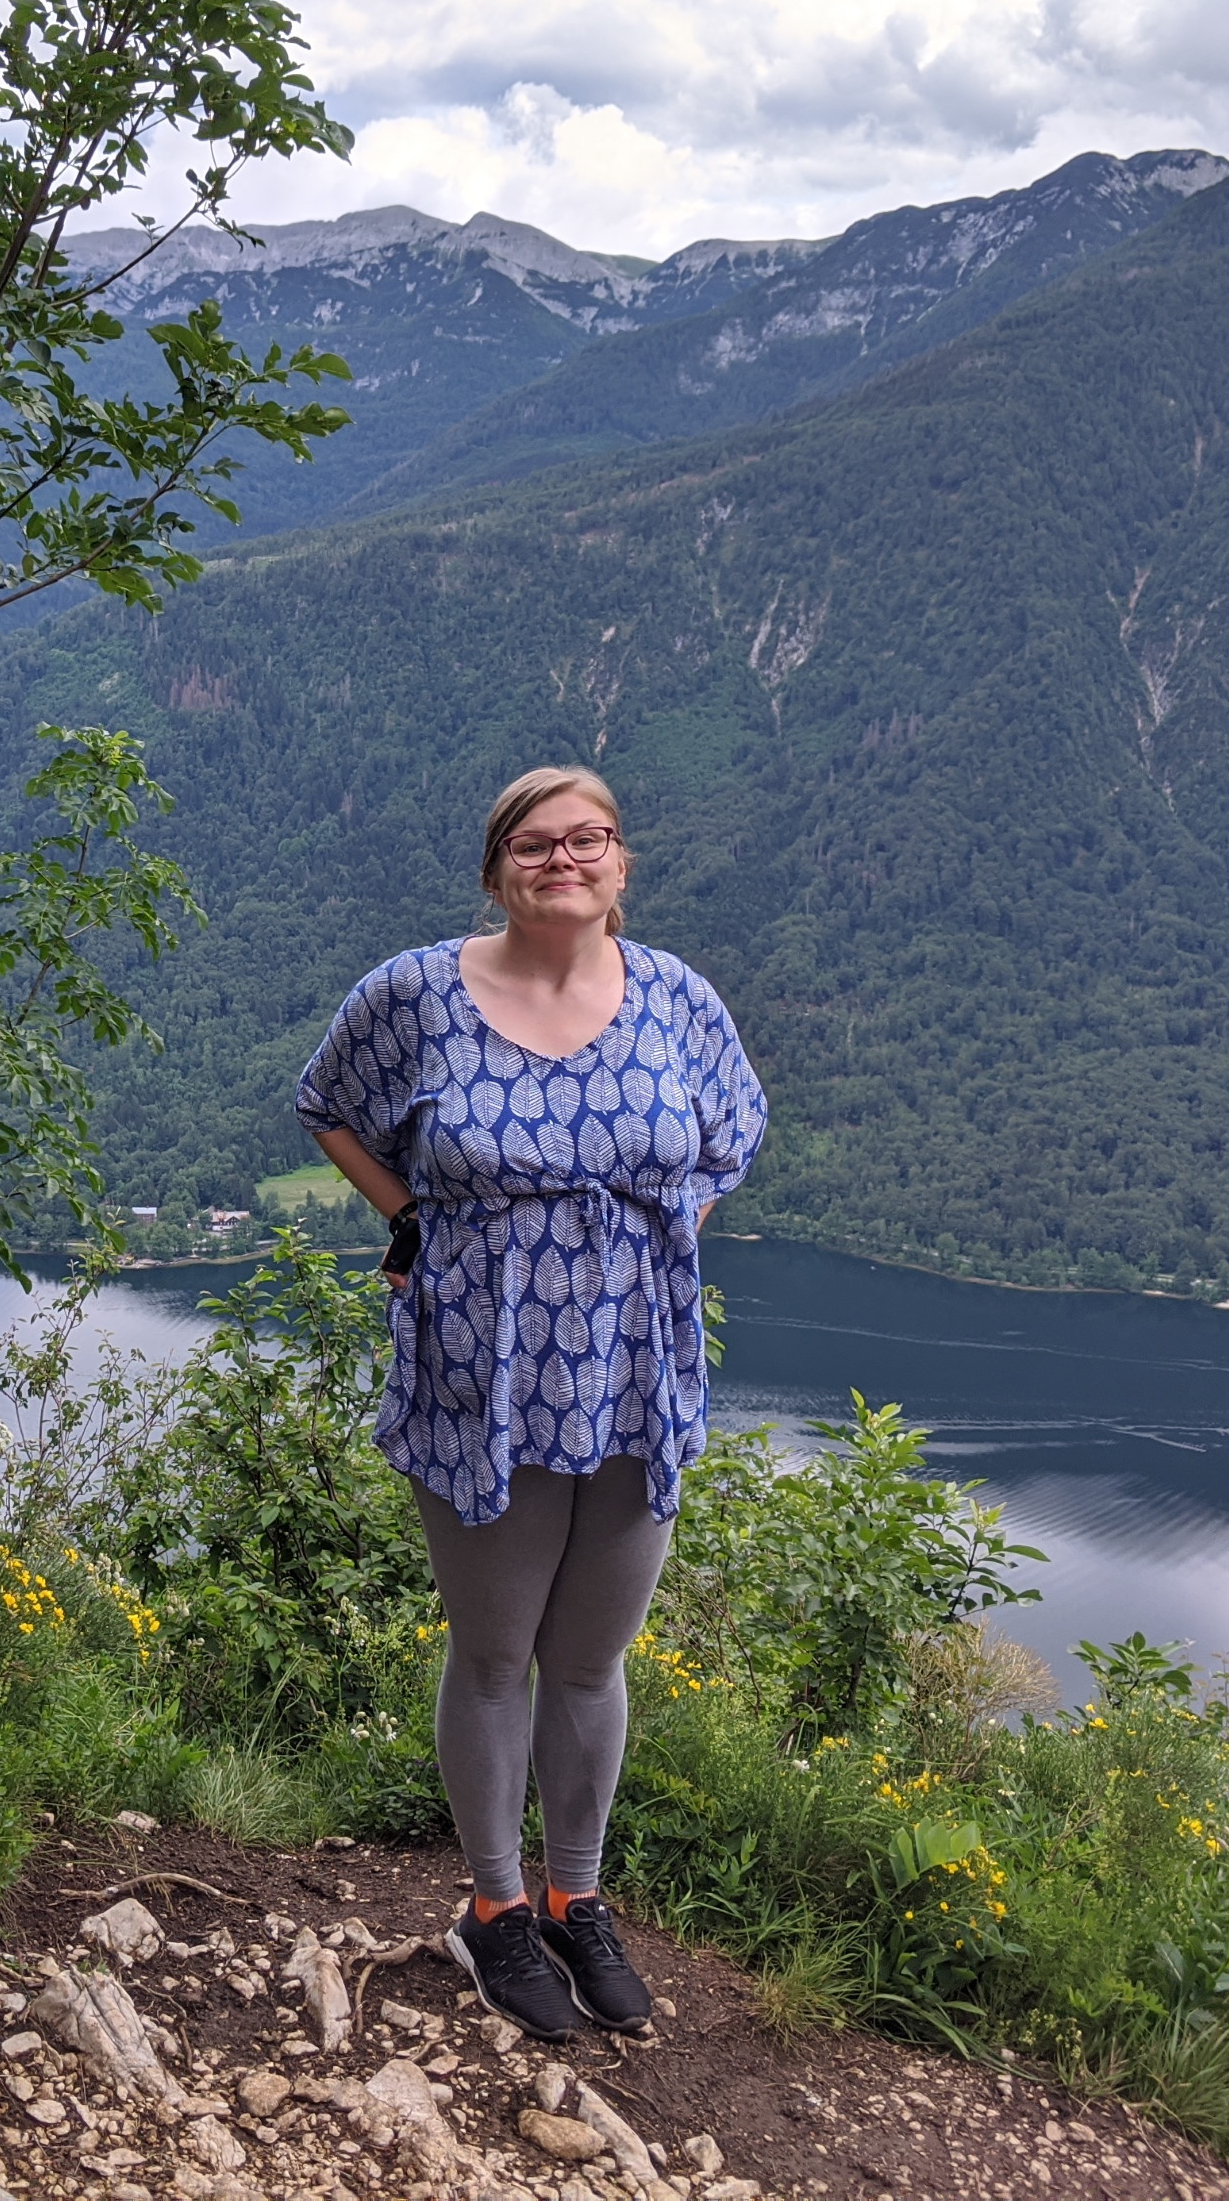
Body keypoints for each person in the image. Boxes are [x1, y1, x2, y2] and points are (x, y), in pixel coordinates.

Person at [295, 765, 766, 2040]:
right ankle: (493, 1910)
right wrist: (412, 1220)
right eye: (534, 844)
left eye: (587, 840)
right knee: (495, 1654)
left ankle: (575, 1898)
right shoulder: (416, 994)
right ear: (496, 869)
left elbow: (731, 1131)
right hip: (481, 1369)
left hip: (633, 1369)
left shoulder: (674, 997)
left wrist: (660, 1236)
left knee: (591, 1660)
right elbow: (326, 1106)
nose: (563, 861)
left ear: (619, 863)